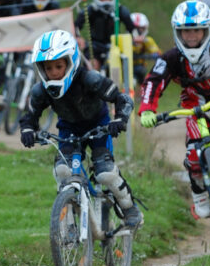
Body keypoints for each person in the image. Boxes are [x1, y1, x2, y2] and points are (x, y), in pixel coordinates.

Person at [19, 29, 143, 228]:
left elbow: (123, 99)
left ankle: (129, 208)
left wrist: (119, 119)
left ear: (71, 61)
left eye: (59, 66)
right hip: (68, 128)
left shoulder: (90, 79)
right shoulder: (40, 90)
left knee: (105, 173)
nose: (54, 73)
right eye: (48, 68)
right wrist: (27, 130)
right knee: (62, 171)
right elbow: (29, 117)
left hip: (98, 126)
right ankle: (66, 227)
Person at [139, 0, 210, 219]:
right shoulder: (171, 58)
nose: (191, 36)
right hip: (194, 108)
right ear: (177, 33)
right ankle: (199, 196)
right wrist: (147, 109)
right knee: (193, 156)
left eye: (196, 31)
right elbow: (153, 80)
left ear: (207, 29)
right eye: (185, 32)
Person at [75, 0, 135, 71]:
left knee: (121, 68)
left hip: (115, 46)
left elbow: (132, 29)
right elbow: (76, 26)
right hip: (94, 46)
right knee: (91, 66)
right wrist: (78, 37)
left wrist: (133, 38)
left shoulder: (120, 10)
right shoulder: (90, 10)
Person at [131, 12, 161, 85]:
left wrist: (154, 55)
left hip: (140, 67)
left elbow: (157, 53)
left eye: (142, 28)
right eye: (138, 28)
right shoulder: (125, 40)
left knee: (143, 77)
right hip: (125, 68)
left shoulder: (147, 40)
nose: (141, 31)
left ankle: (141, 93)